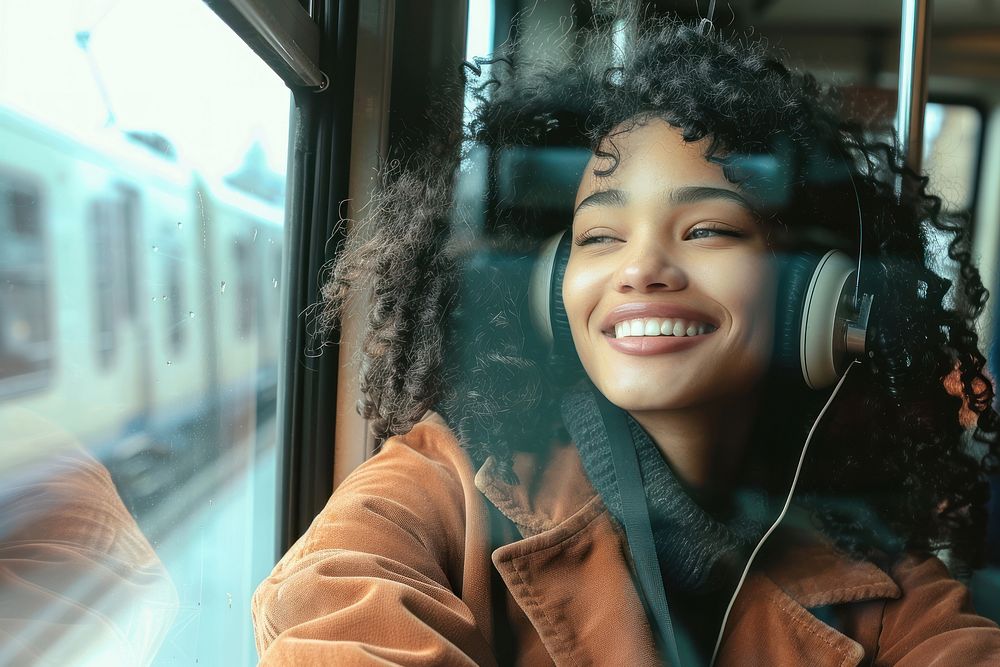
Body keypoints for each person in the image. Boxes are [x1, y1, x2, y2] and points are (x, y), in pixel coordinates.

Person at [252, 17, 1000, 666]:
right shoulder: (441, 484)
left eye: (707, 229)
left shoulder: (885, 583)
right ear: (554, 288)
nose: (641, 268)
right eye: (601, 235)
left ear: (817, 295)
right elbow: (337, 605)